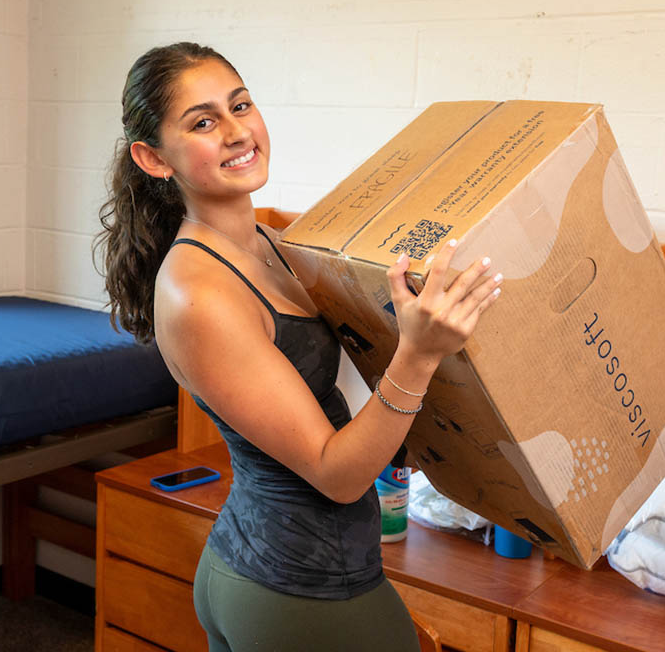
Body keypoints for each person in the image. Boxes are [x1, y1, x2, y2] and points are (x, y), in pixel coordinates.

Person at [96, 42, 502, 652]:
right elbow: (335, 474)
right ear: (154, 158)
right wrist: (417, 355)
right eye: (204, 122)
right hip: (300, 590)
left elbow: (335, 392)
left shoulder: (270, 242)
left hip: (285, 571)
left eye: (241, 106)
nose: (238, 132)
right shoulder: (199, 293)